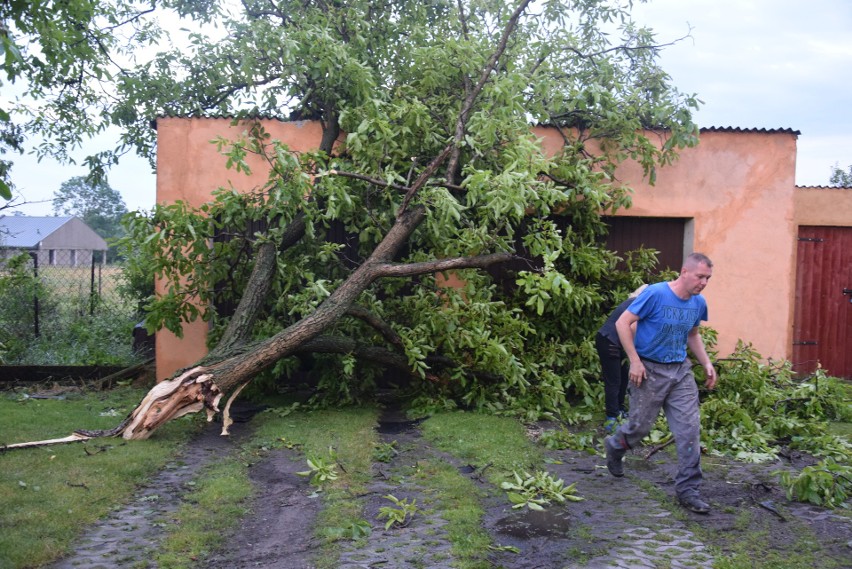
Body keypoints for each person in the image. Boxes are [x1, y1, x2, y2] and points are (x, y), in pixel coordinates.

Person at [603, 253, 717, 514]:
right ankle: (616, 446)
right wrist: (634, 361)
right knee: (639, 428)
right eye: (700, 276)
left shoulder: (699, 303)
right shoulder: (655, 294)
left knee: (689, 430)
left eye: (708, 278)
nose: (704, 283)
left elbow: (693, 334)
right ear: (684, 272)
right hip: (649, 369)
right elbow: (623, 323)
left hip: (680, 372)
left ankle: (688, 490)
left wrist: (707, 363)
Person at [595, 284, 648, 432]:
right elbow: (633, 329)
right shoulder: (639, 304)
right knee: (614, 380)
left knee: (623, 376)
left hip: (612, 341)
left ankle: (619, 410)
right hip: (609, 341)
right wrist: (637, 357)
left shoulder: (634, 301)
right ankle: (611, 418)